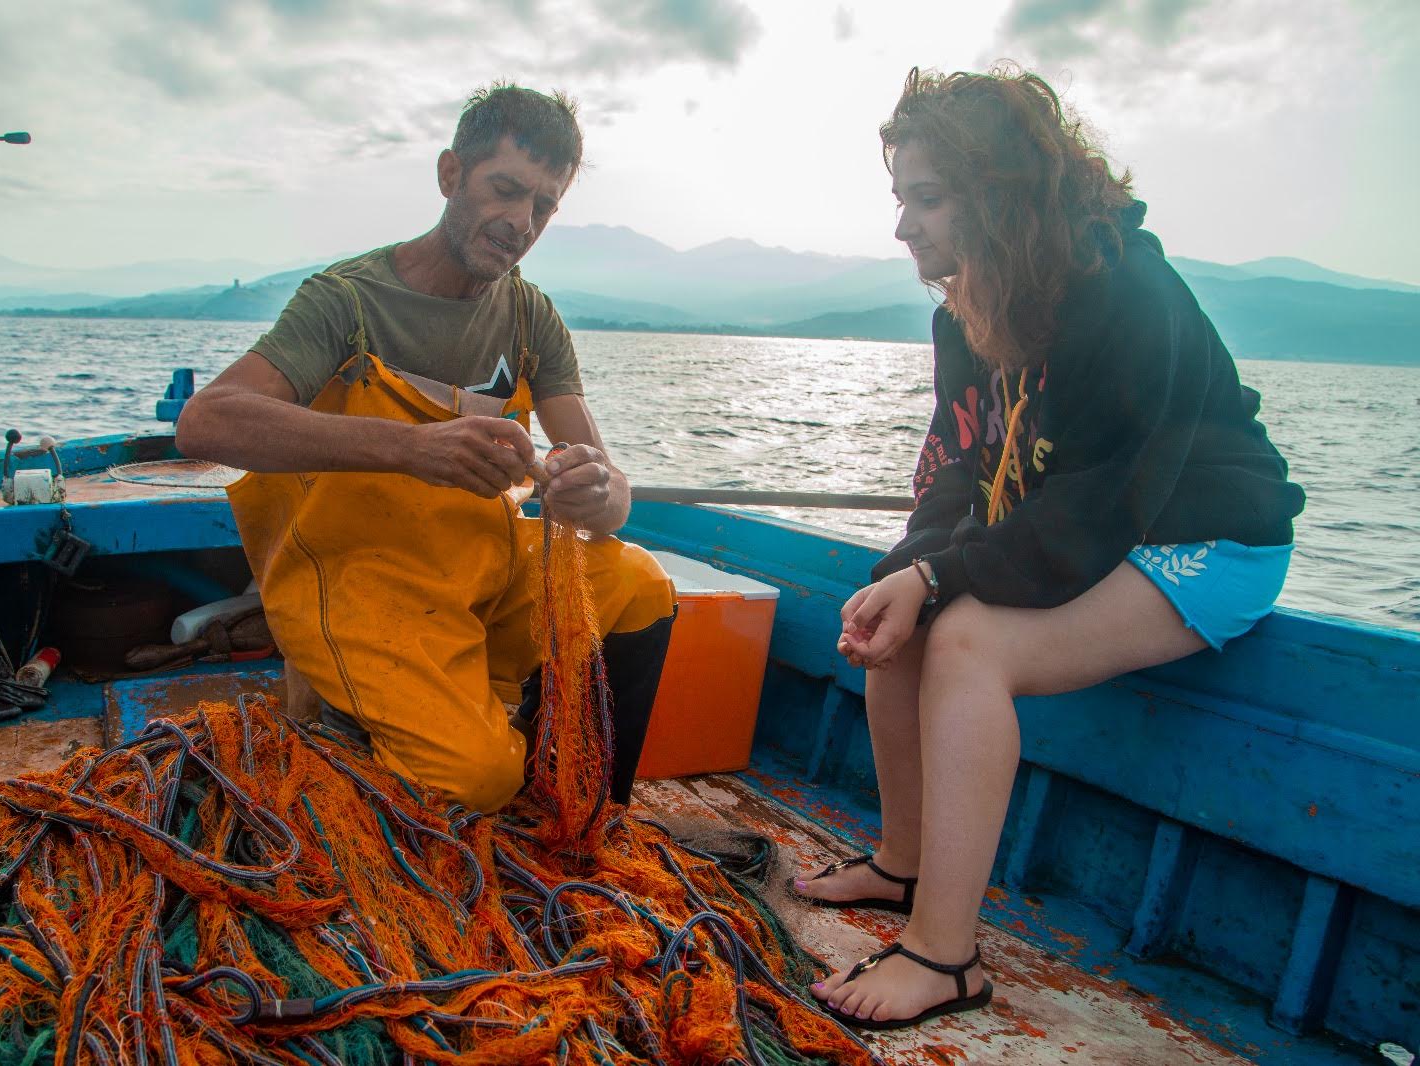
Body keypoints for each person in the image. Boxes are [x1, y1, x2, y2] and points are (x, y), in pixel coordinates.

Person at [791, 66, 1305, 1030]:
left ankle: (945, 958)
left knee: (970, 640)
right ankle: (902, 864)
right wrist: (914, 568)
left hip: (1204, 536)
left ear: (1002, 194)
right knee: (901, 616)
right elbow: (959, 468)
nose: (905, 228)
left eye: (929, 200)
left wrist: (948, 578)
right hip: (1088, 530)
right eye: (902, 200)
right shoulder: (966, 312)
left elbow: (1106, 495)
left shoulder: (1125, 292)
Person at [175, 84, 676, 814]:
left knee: (641, 585)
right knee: (475, 778)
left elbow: (613, 502)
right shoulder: (344, 301)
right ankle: (361, 724)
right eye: (504, 190)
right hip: (362, 582)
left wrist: (595, 492)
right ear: (450, 175)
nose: (520, 222)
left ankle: (577, 808)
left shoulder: (531, 317)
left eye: (542, 206)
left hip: (482, 569)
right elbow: (207, 422)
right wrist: (412, 448)